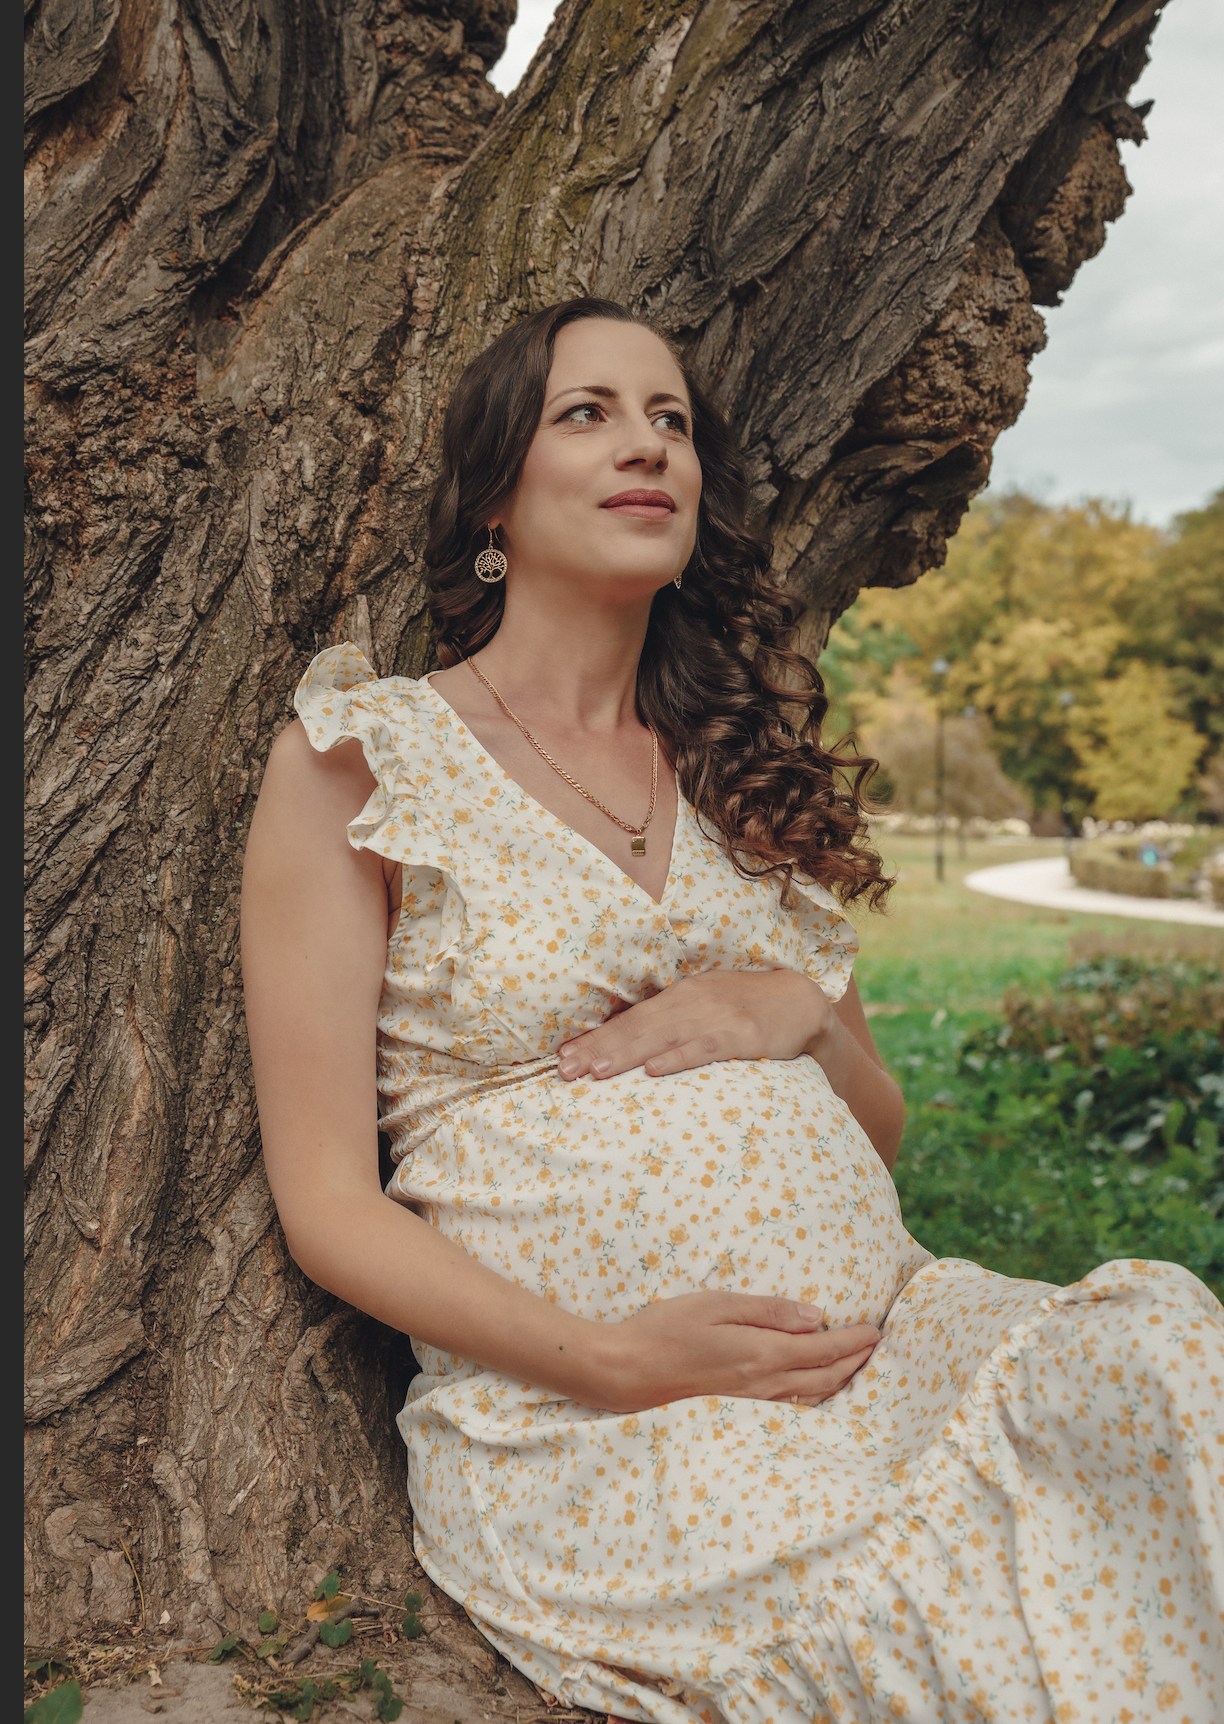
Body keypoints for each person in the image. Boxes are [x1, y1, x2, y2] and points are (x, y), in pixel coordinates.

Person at [242, 299, 1223, 1723]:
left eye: (672, 421)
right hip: (600, 1419)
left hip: (899, 1345)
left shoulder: (741, 769)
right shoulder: (366, 758)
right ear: (494, 501)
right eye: (588, 413)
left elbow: (875, 1129)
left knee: (1165, 1361)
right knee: (938, 1596)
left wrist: (802, 1017)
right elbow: (328, 1202)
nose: (646, 444)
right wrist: (621, 1362)